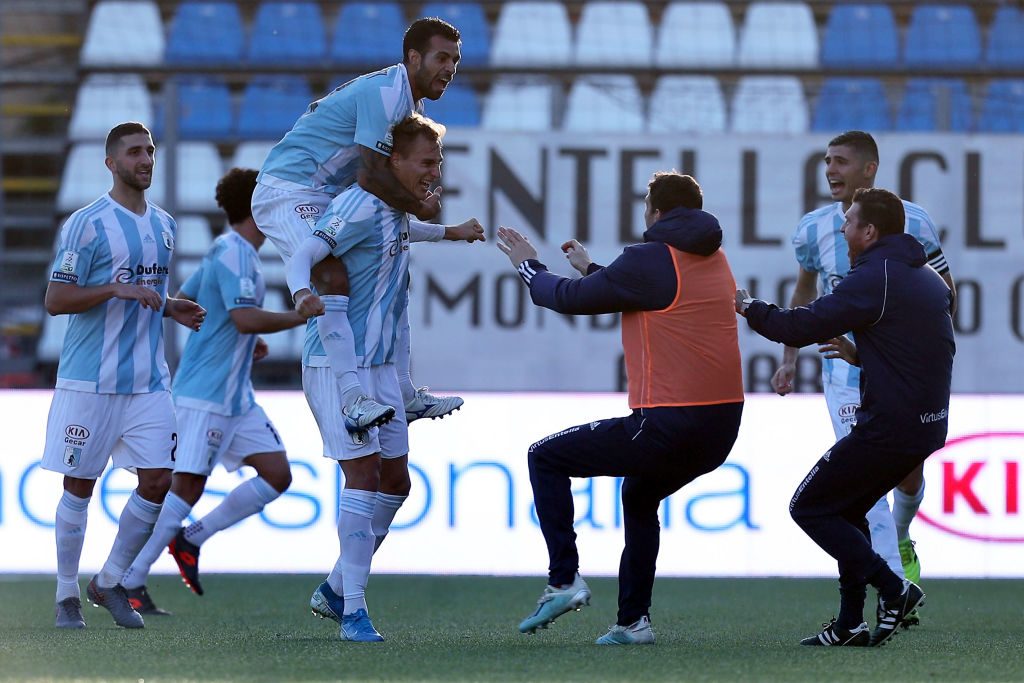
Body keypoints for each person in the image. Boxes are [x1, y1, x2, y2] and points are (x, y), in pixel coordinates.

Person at [496, 172, 745, 645]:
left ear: (655, 211)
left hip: (669, 422)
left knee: (544, 457)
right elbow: (645, 291)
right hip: (721, 428)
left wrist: (528, 265)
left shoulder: (650, 256)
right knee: (639, 494)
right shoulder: (713, 255)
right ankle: (633, 623)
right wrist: (593, 269)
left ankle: (563, 580)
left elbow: (564, 298)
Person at [286, 114, 482, 642]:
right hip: (337, 368)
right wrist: (300, 291)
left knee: (397, 482)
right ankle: (353, 612)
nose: (434, 171)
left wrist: (453, 232)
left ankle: (335, 588)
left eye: (438, 162)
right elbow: (306, 253)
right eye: (426, 162)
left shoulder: (394, 208)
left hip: (382, 369)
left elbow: (403, 231)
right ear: (394, 161)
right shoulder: (355, 205)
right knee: (364, 475)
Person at [737, 187, 954, 647]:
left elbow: (797, 325)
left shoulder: (874, 277)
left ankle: (894, 588)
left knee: (809, 506)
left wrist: (749, 306)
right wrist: (862, 357)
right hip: (926, 426)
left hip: (890, 428)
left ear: (869, 231)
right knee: (849, 510)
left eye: (850, 220)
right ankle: (850, 623)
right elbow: (926, 350)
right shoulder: (926, 278)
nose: (842, 226)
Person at [252, 17, 469, 433]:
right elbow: (371, 176)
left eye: (455, 61)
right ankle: (351, 399)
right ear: (414, 57)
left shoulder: (410, 106)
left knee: (393, 271)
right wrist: (419, 207)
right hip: (291, 189)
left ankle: (404, 392)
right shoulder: (387, 94)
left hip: (327, 194)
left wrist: (435, 223)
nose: (450, 69)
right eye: (442, 58)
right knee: (330, 274)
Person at [119, 168, 307, 614]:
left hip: (236, 397)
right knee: (186, 485)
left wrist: (241, 338)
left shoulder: (230, 252)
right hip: (205, 396)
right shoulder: (234, 254)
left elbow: (189, 302)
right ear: (259, 208)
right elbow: (242, 318)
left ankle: (191, 539)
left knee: (277, 474)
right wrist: (300, 316)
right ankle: (130, 580)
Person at [42, 121, 206, 629]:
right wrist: (114, 289)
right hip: (90, 381)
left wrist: (172, 306)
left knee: (159, 480)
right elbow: (56, 299)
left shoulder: (165, 225)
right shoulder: (86, 224)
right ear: (111, 163)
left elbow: (144, 289)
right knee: (79, 485)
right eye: (134, 152)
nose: (145, 160)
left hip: (148, 382)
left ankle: (108, 581)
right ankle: (66, 595)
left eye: (150, 151)